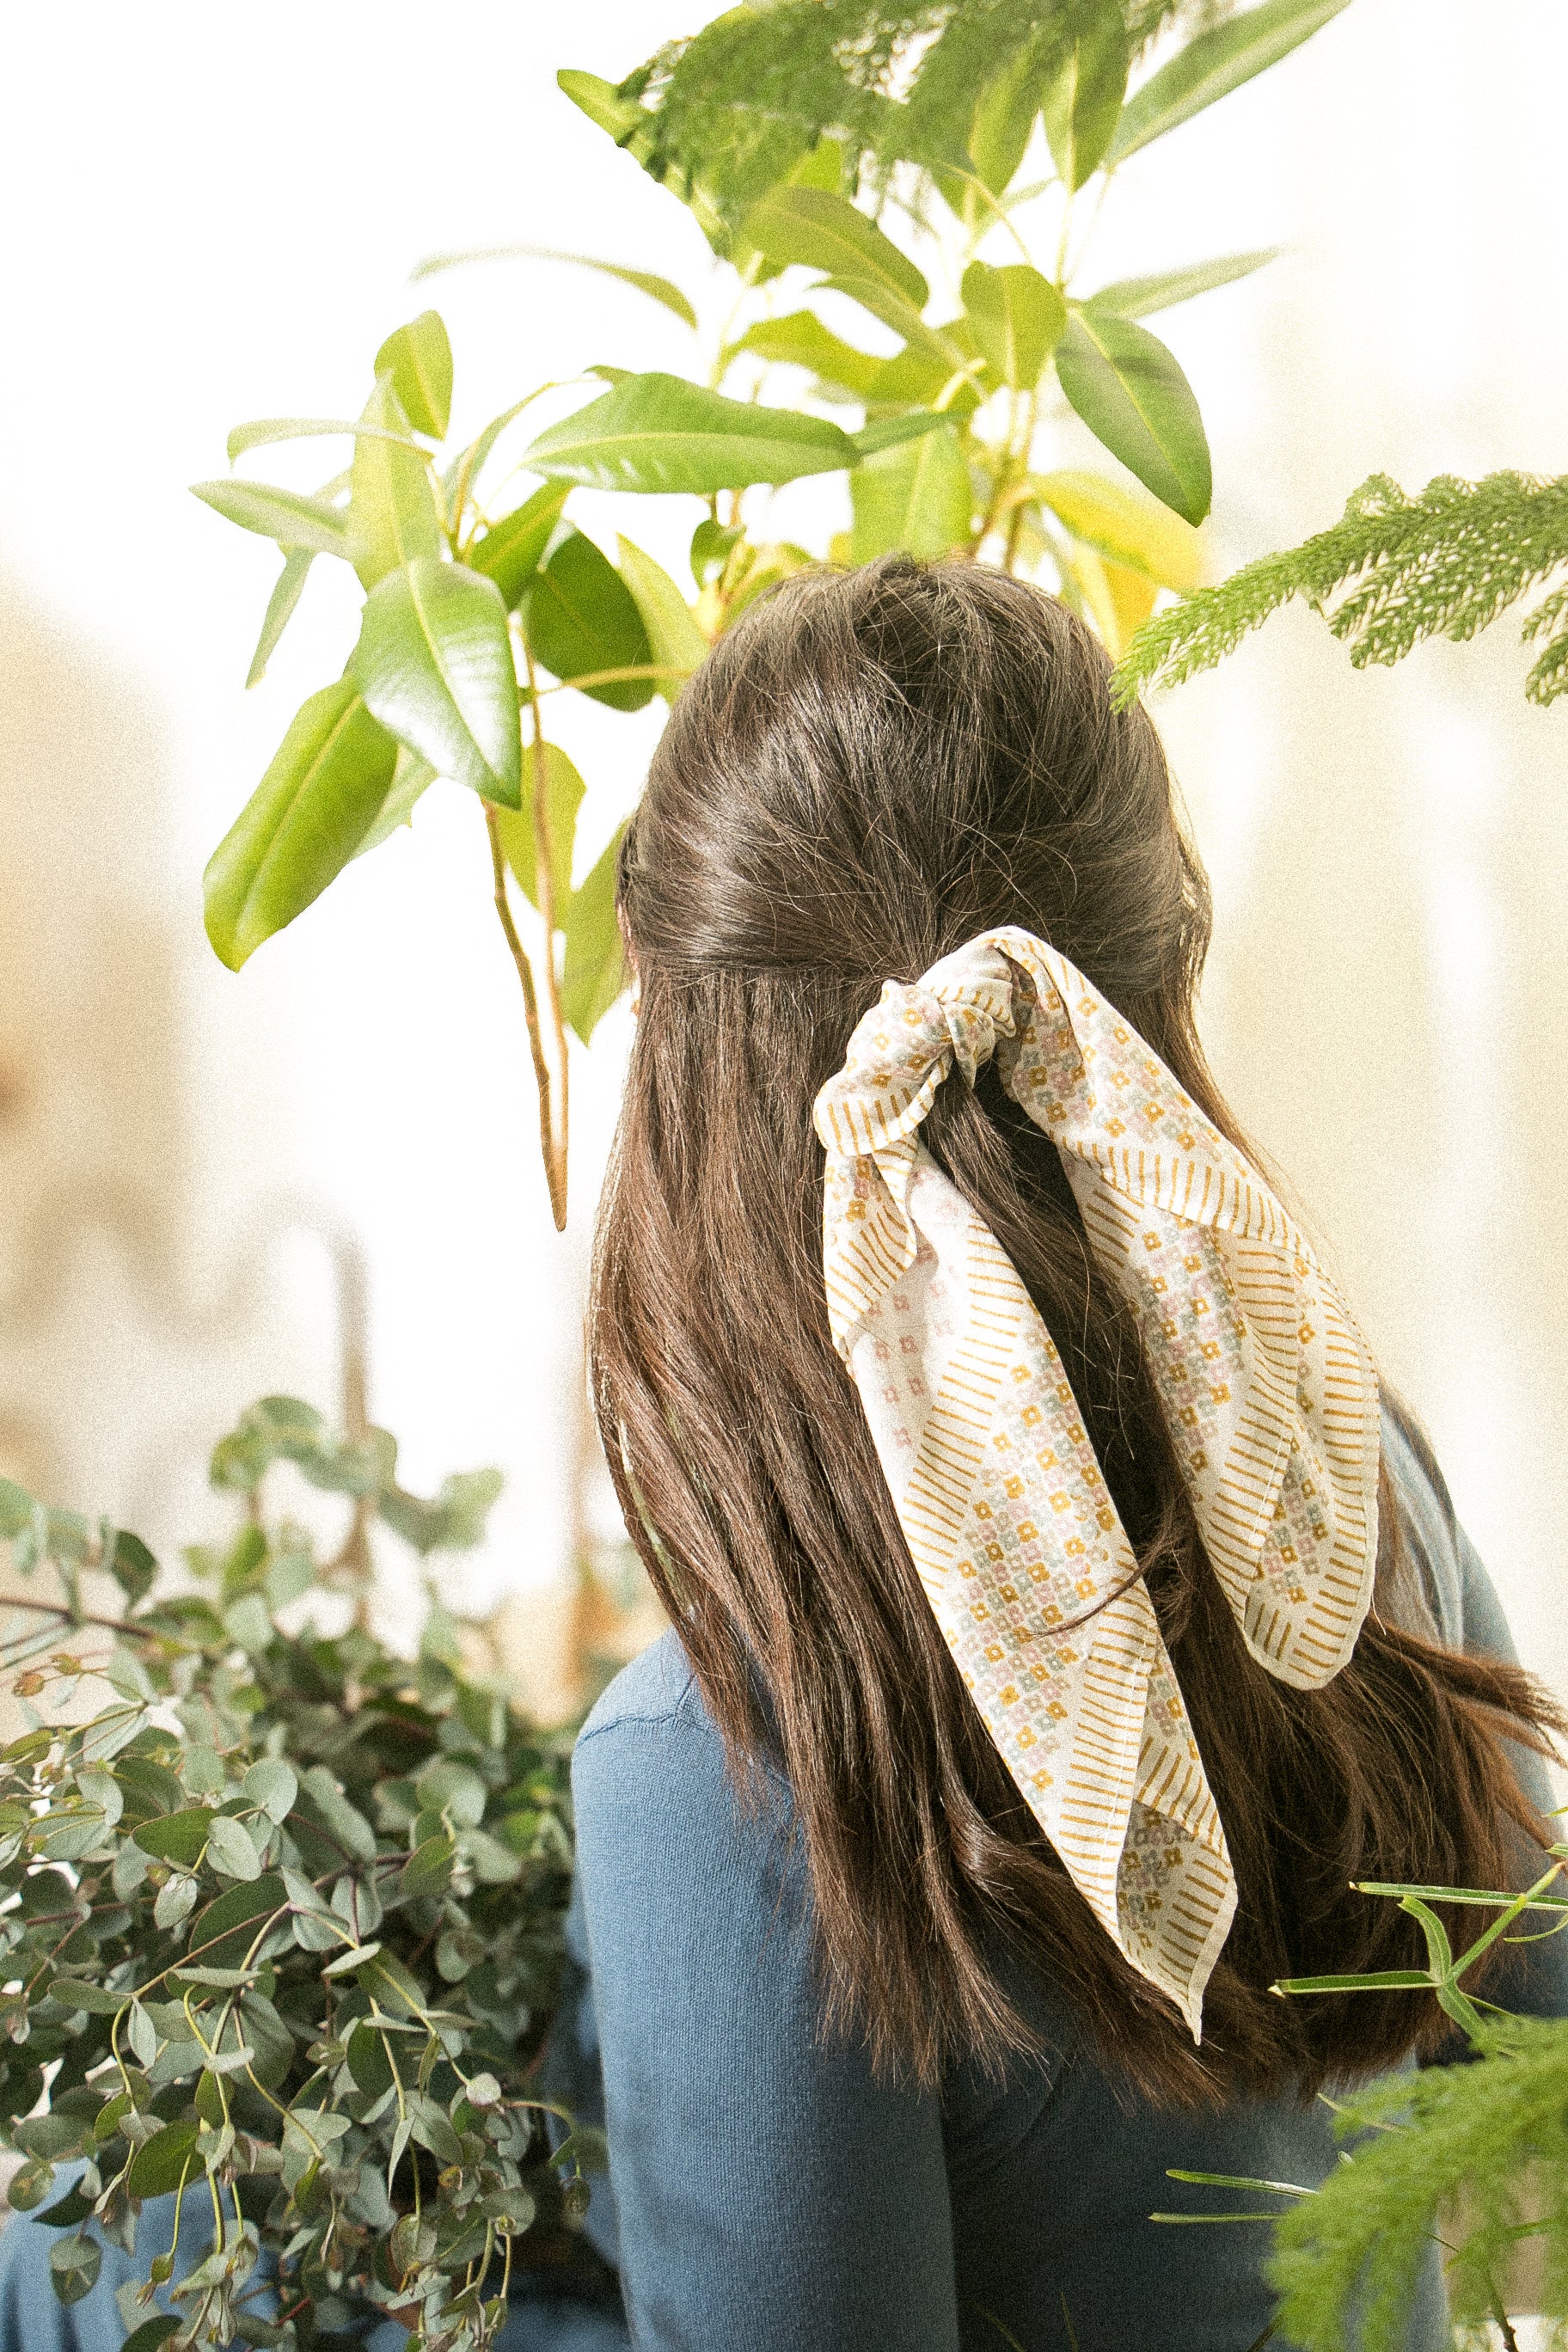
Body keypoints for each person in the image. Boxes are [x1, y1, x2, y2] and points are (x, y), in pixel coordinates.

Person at [1, 558, 1560, 2352]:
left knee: (84, 2261)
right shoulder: (1344, 1482)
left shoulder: (733, 1763)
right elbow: (1536, 2030)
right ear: (1159, 987)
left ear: (682, 1056)